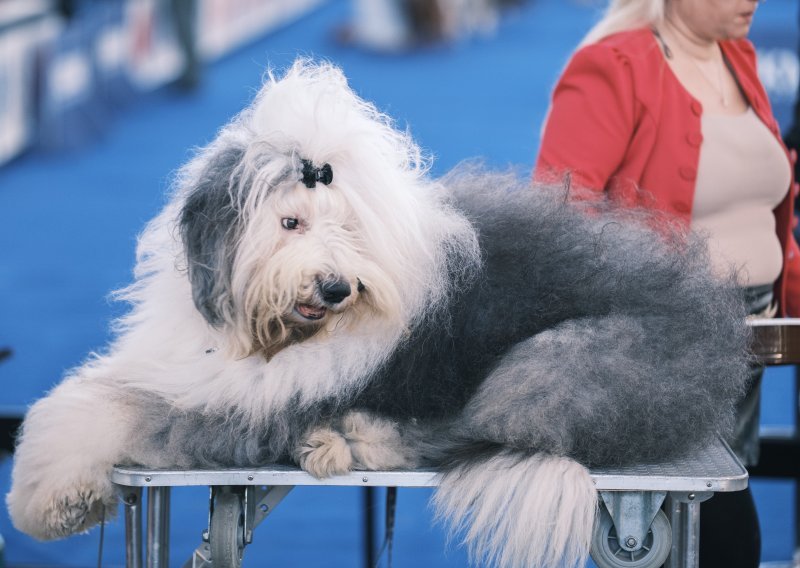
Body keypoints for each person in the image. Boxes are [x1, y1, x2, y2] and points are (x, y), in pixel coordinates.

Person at [533, 1, 800, 566]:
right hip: (661, 360)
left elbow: (763, 215)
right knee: (717, 538)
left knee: (715, 534)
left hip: (745, 348)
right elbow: (555, 226)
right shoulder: (614, 65)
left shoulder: (737, 57)